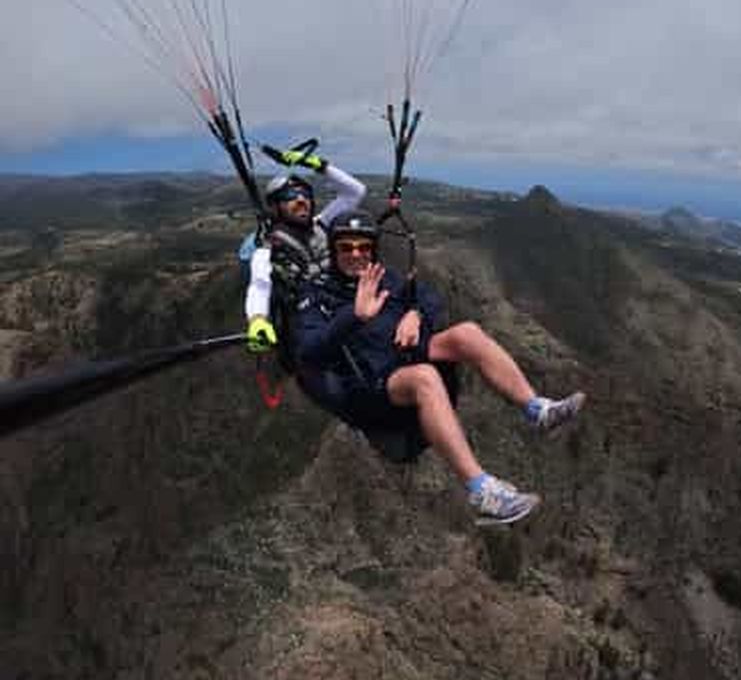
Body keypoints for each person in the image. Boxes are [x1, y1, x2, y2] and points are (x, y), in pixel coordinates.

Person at [292, 210, 586, 525]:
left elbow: (429, 298)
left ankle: (537, 410)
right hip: (370, 382)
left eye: (363, 247)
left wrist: (415, 314)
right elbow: (308, 352)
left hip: (403, 353)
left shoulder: (384, 278)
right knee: (425, 378)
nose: (355, 254)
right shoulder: (317, 294)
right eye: (346, 247)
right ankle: (482, 492)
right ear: (333, 249)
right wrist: (354, 316)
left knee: (467, 333)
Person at [243, 147, 366, 358]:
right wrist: (257, 319)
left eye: (305, 195)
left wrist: (316, 164)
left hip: (347, 306)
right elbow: (260, 286)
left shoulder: (323, 224)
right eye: (290, 196)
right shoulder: (268, 250)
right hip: (310, 323)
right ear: (276, 207)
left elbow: (355, 192)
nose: (301, 200)